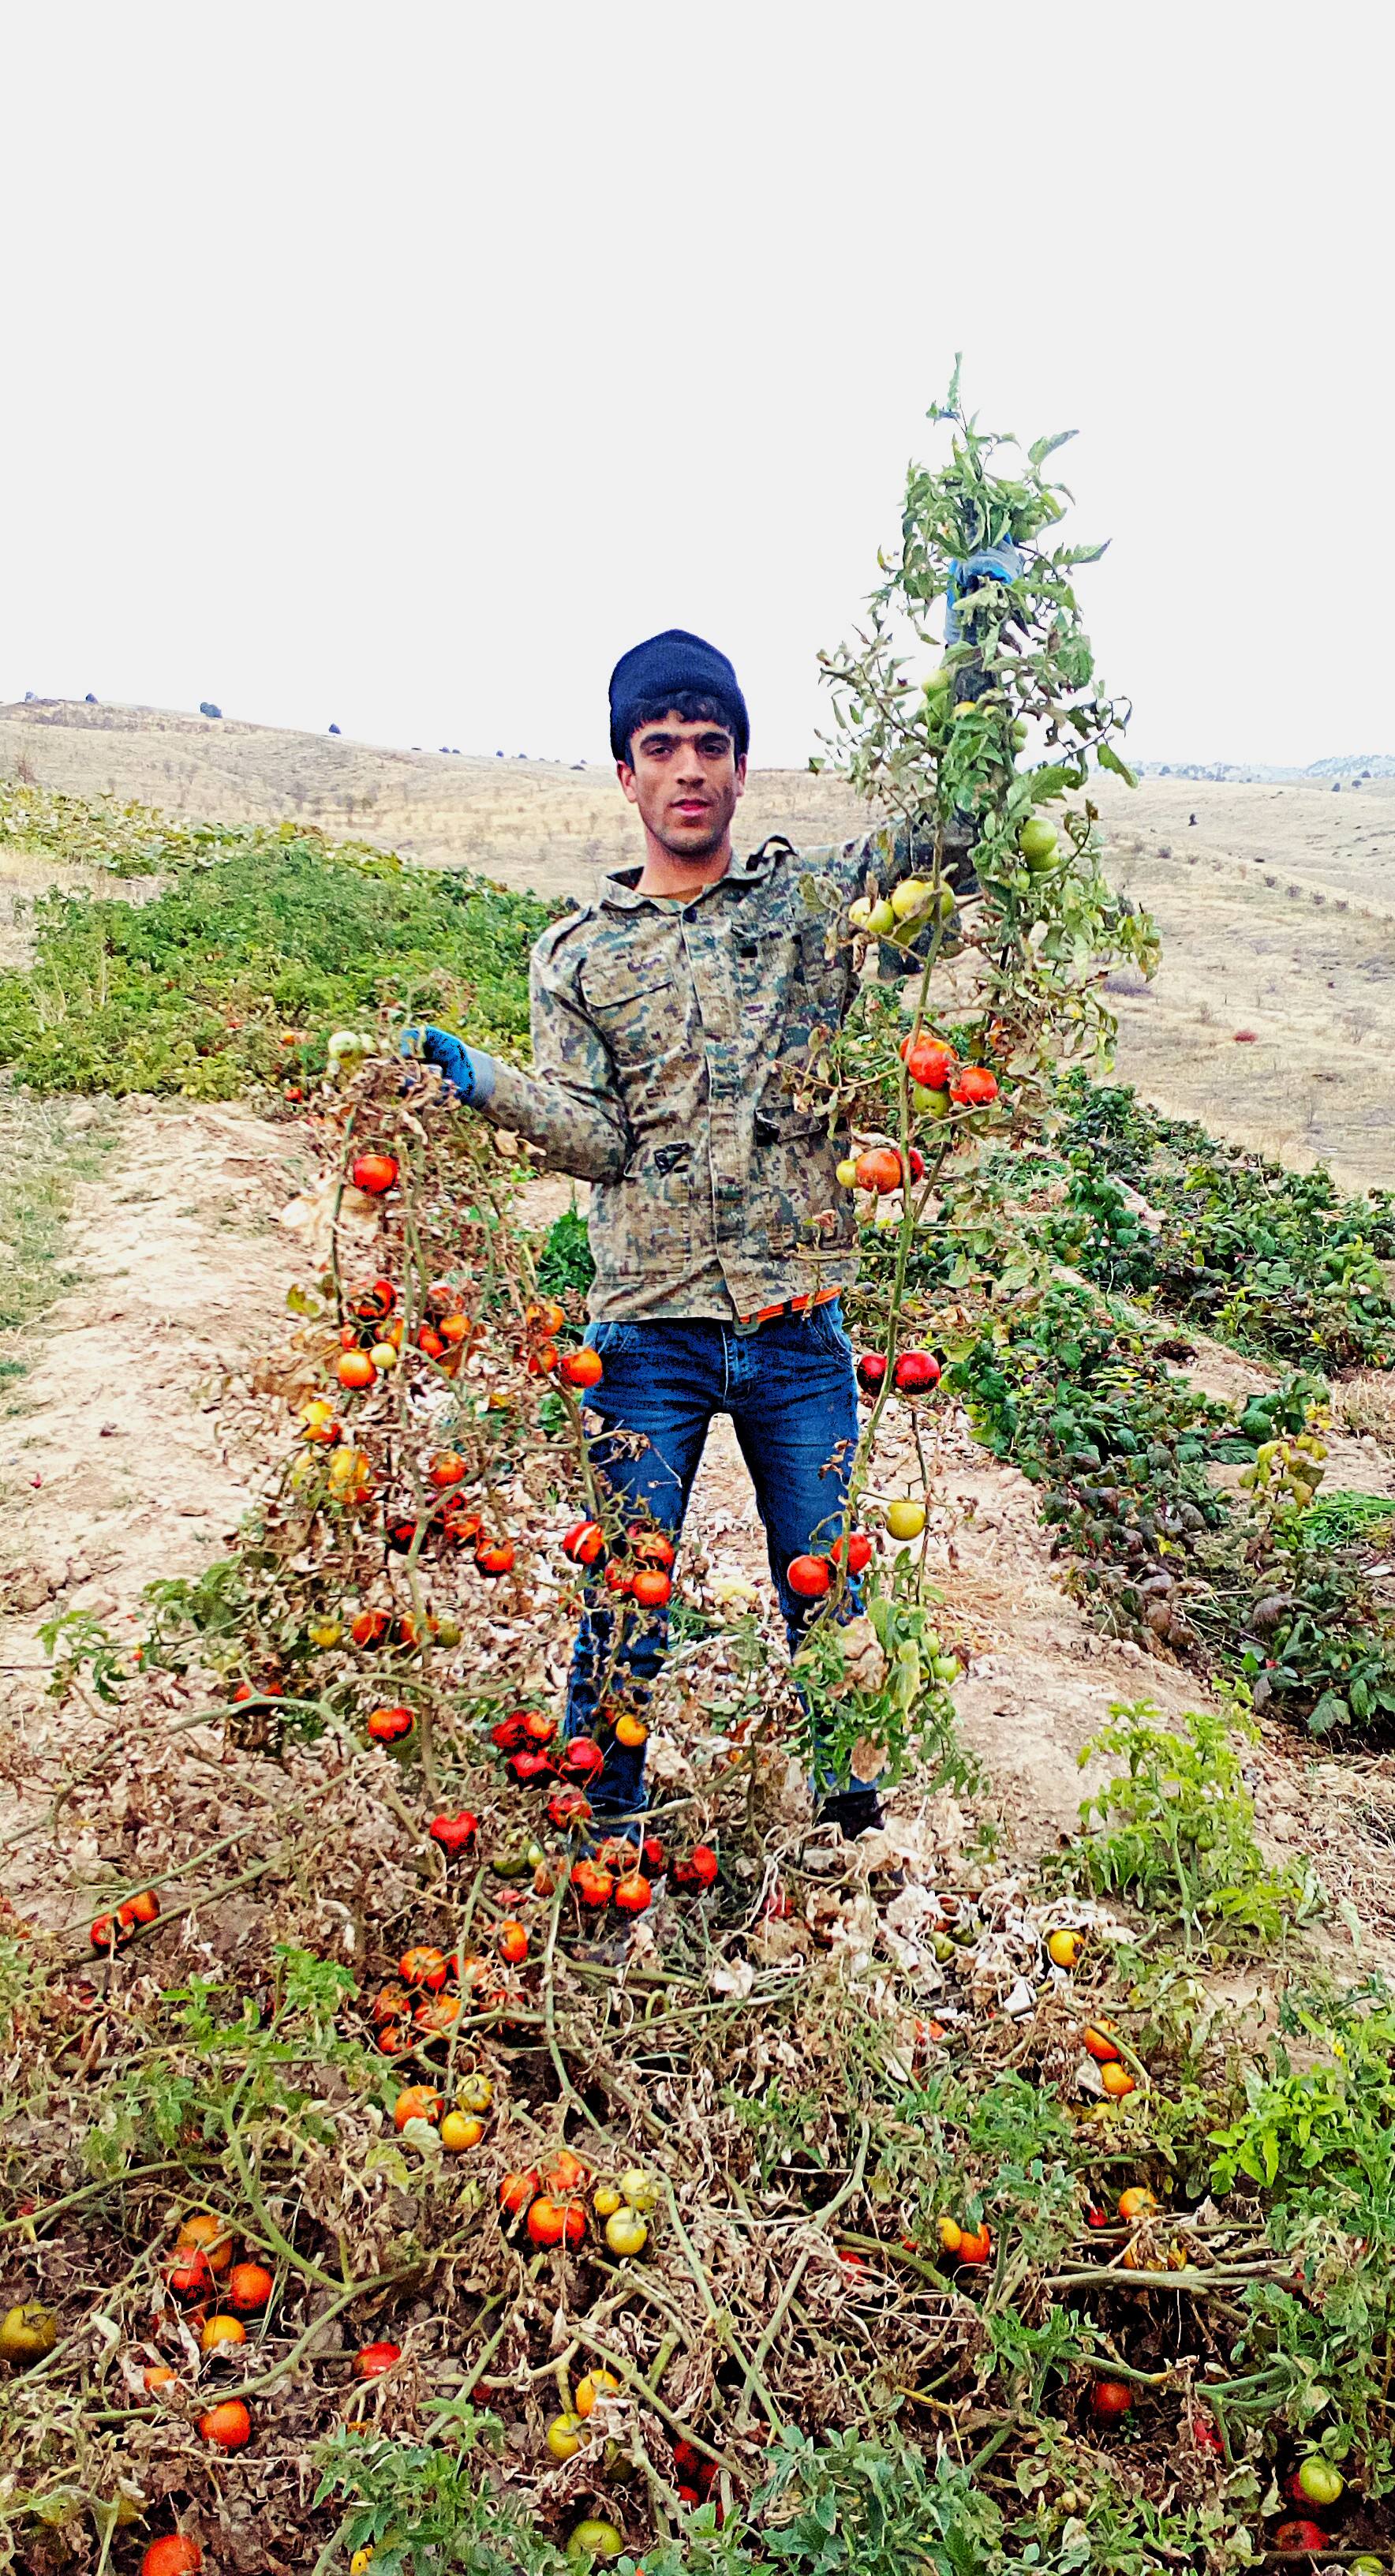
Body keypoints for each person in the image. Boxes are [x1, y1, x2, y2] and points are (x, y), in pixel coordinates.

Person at [408, 628, 939, 1837]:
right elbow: (596, 1137)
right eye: (660, 748)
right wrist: (482, 1082)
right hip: (646, 1332)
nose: (687, 768)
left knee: (831, 1593)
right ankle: (604, 1832)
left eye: (709, 744)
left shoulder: (812, 908)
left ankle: (854, 1831)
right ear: (626, 773)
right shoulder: (579, 955)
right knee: (625, 1601)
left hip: (797, 1325)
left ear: (742, 766)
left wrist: (977, 673)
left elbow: (940, 850)